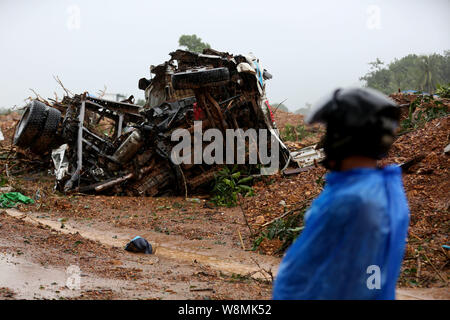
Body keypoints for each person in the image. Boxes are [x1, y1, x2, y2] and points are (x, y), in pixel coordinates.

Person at [272, 87, 410, 300]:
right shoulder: (387, 190)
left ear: (345, 136)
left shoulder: (351, 200)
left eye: (331, 131)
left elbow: (315, 273)